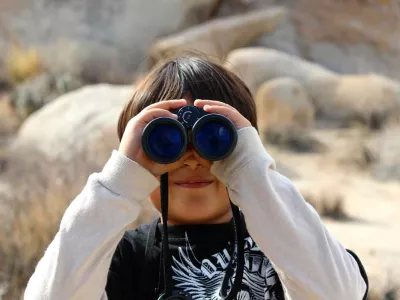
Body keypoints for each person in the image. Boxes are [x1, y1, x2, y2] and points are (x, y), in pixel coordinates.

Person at [24, 55, 368, 300]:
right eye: (165, 142)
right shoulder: (123, 256)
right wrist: (119, 183)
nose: (192, 161)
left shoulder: (285, 240)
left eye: (216, 140)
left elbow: (338, 293)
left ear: (246, 146)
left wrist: (252, 174)